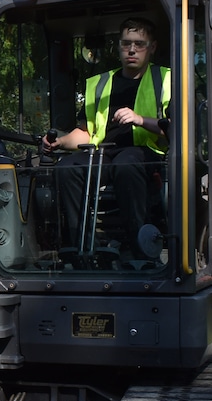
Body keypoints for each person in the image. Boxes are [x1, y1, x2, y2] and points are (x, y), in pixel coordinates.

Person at [42, 18, 170, 256]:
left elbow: (173, 129)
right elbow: (85, 132)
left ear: (152, 47)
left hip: (146, 152)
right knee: (67, 167)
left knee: (127, 163)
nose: (132, 50)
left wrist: (139, 119)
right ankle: (80, 246)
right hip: (103, 153)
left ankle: (140, 248)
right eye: (126, 43)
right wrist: (60, 142)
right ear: (118, 46)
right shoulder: (101, 84)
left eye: (139, 44)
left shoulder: (166, 80)